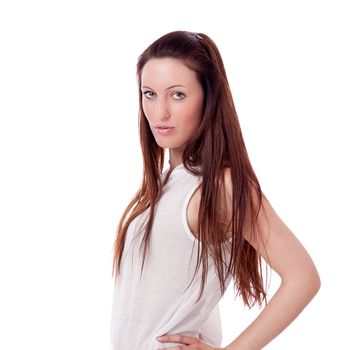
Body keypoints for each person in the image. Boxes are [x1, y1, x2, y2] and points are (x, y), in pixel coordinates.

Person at [110, 30, 321, 350]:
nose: (159, 112)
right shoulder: (168, 184)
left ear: (209, 98)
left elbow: (303, 278)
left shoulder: (221, 186)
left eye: (177, 94)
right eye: (149, 94)